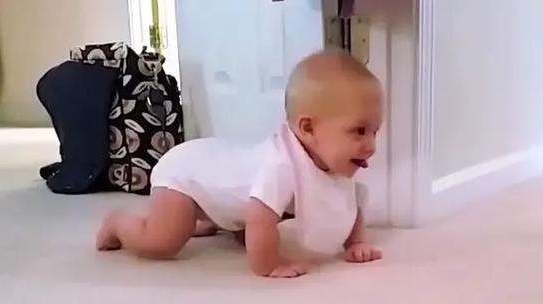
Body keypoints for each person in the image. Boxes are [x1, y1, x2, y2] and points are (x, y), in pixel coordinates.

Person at [95, 49, 383, 278]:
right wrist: (268, 263)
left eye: (374, 131)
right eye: (359, 131)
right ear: (307, 128)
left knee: (241, 224)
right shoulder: (280, 166)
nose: (371, 144)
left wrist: (355, 242)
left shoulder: (332, 163)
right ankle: (117, 223)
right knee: (164, 240)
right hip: (186, 175)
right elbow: (259, 219)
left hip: (218, 179)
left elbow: (349, 202)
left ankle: (208, 217)